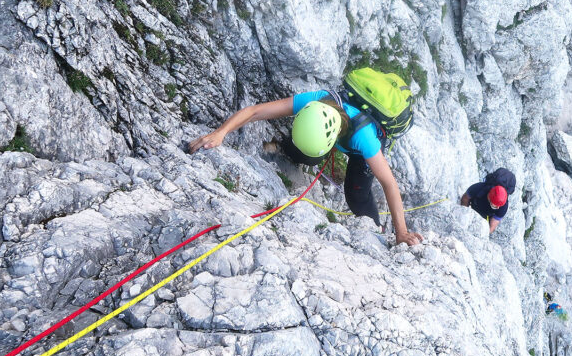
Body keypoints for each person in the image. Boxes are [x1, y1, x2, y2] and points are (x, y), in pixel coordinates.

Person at [189, 90, 423, 246]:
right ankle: (293, 150)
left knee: (357, 195)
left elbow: (389, 184)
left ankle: (377, 229)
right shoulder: (315, 100)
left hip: (360, 144)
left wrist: (401, 232)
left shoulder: (365, 141)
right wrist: (221, 132)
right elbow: (256, 111)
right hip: (333, 131)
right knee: (302, 152)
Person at [461, 167, 515, 234]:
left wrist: (484, 236)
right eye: (495, 205)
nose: (498, 207)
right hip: (474, 205)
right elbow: (465, 198)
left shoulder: (503, 207)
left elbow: (492, 226)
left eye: (498, 206)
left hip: (485, 216)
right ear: (489, 197)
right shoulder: (478, 188)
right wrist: (464, 213)